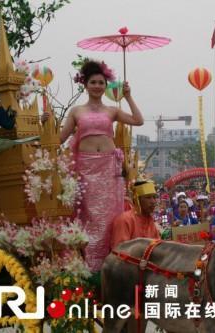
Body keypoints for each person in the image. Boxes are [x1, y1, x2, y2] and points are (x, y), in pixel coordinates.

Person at [41, 59, 144, 272]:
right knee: (88, 216)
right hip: (85, 169)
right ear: (85, 85)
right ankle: (88, 266)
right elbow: (59, 139)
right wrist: (45, 123)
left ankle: (112, 262)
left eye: (101, 82)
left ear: (105, 86)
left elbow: (138, 120)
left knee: (110, 217)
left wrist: (128, 96)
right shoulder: (76, 111)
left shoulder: (112, 111)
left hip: (109, 168)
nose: (97, 86)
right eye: (93, 82)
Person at [110, 180, 159, 250]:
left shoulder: (149, 220)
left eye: (154, 197)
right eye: (148, 197)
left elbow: (156, 247)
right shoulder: (125, 219)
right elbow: (120, 252)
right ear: (137, 199)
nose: (153, 201)